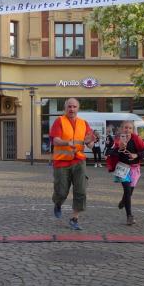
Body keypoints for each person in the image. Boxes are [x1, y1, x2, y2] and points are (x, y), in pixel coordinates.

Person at [50, 98, 95, 230]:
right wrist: (67, 143)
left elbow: (90, 144)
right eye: (69, 106)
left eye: (74, 107)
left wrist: (90, 142)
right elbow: (55, 140)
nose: (72, 109)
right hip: (61, 161)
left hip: (79, 161)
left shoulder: (83, 123)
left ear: (78, 108)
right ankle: (58, 203)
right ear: (65, 108)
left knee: (81, 190)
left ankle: (74, 219)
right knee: (61, 191)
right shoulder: (59, 121)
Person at [106, 120, 144, 226]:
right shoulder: (117, 139)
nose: (127, 130)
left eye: (130, 128)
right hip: (122, 168)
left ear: (133, 129)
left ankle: (123, 200)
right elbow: (109, 152)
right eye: (125, 127)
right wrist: (119, 149)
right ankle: (129, 216)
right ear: (121, 129)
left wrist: (137, 155)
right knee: (127, 190)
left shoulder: (136, 139)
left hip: (134, 168)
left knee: (129, 192)